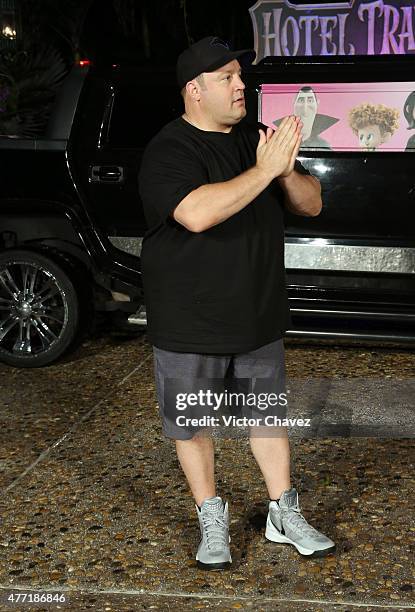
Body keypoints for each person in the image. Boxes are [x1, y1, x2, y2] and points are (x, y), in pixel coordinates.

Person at [139, 36, 335, 571]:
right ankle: (211, 515)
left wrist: (287, 169)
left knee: (267, 417)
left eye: (239, 75)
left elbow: (311, 204)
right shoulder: (169, 150)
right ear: (194, 91)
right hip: (189, 319)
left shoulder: (258, 139)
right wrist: (264, 171)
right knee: (193, 422)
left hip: (257, 314)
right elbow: (197, 213)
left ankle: (282, 511)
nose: (240, 85)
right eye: (227, 78)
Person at [273, 86, 338, 150]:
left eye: (310, 100)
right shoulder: (279, 143)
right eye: (301, 100)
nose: (305, 109)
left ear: (317, 104)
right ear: (294, 103)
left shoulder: (324, 146)